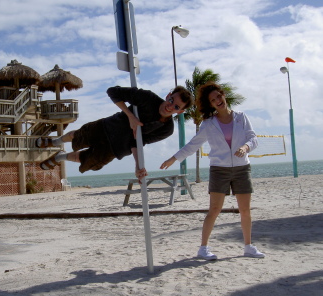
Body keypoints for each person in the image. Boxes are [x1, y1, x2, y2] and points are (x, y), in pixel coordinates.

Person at [160, 82, 265, 260]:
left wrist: (245, 147)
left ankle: (248, 246)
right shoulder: (209, 124)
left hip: (242, 168)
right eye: (213, 99)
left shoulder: (241, 117)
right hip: (219, 170)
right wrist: (173, 158)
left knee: (245, 210)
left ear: (224, 96)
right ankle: (203, 249)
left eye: (219, 96)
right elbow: (193, 145)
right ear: (210, 104)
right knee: (214, 209)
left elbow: (253, 138)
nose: (218, 100)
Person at [37, 85, 193, 177]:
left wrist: (138, 166)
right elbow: (113, 91)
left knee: (86, 160)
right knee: (77, 136)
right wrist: (130, 116)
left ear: (180, 112)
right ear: (168, 95)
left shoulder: (166, 129)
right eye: (172, 100)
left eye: (177, 107)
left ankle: (61, 157)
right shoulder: (148, 98)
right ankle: (56, 141)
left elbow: (139, 142)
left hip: (117, 149)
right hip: (108, 126)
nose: (171, 106)